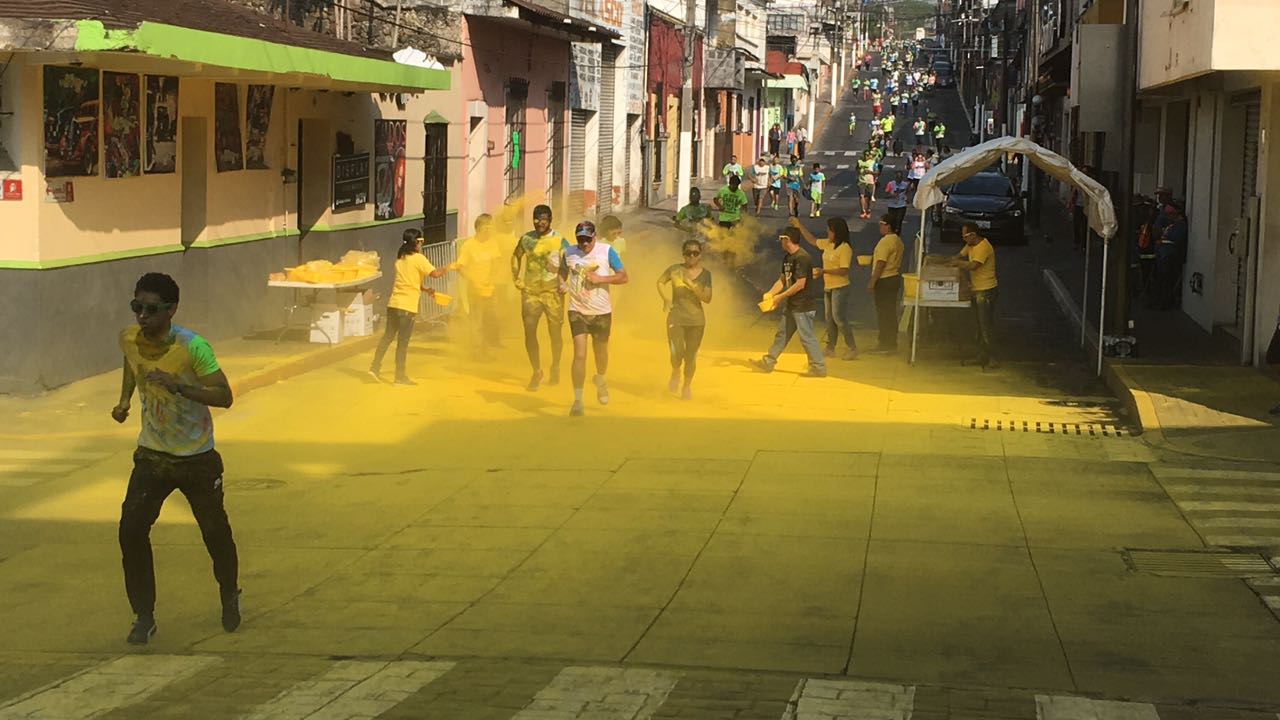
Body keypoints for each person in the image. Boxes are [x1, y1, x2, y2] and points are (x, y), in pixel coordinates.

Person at [113, 272, 239, 645]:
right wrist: (124, 401)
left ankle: (229, 592)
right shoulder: (128, 338)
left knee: (214, 531)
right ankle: (144, 616)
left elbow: (225, 396)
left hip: (196, 458)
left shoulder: (193, 347)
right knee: (131, 531)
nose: (143, 316)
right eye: (138, 307)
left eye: (152, 309)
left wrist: (181, 387)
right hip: (152, 455)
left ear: (171, 310)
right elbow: (131, 364)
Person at [563, 220, 628, 416]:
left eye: (587, 240)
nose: (584, 244)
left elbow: (624, 277)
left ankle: (600, 379)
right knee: (580, 355)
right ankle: (578, 400)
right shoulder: (569, 252)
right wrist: (561, 284)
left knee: (600, 354)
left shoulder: (606, 251)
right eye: (580, 240)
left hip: (601, 311)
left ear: (595, 237)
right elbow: (561, 273)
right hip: (577, 310)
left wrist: (601, 279)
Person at [370, 228, 449, 384]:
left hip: (393, 304)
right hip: (407, 307)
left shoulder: (400, 259)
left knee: (387, 337)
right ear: (416, 243)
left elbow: (409, 282)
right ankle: (400, 376)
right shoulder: (418, 259)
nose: (421, 245)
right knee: (403, 343)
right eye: (421, 242)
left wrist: (426, 290)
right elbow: (435, 274)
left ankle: (374, 367)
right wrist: (450, 267)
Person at [749, 228, 826, 377]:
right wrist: (771, 293)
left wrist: (780, 297)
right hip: (792, 305)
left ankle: (818, 367)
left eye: (782, 239)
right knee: (782, 334)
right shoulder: (788, 258)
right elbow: (783, 279)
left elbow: (800, 284)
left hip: (803, 305)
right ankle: (769, 361)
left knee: (806, 337)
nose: (781, 243)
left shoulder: (802, 258)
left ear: (787, 240)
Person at [511, 204, 569, 391]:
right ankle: (536, 371)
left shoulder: (559, 240)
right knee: (529, 332)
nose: (539, 223)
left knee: (555, 333)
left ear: (550, 220)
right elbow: (515, 256)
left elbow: (570, 261)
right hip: (530, 292)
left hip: (553, 293)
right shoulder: (526, 239)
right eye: (536, 219)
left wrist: (563, 280)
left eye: (543, 219)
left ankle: (556, 365)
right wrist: (516, 277)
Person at [789, 216, 857, 360]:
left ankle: (852, 347)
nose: (828, 233)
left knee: (839, 318)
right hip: (829, 287)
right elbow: (812, 240)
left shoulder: (845, 248)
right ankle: (830, 347)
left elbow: (844, 270)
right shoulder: (828, 244)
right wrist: (799, 225)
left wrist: (823, 271)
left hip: (840, 287)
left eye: (830, 231)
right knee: (829, 318)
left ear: (837, 232)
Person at [657, 239, 713, 400]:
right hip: (676, 317)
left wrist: (692, 285)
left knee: (691, 355)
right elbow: (660, 282)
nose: (691, 256)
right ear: (683, 254)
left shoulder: (705, 274)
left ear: (700, 255)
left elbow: (708, 298)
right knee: (676, 352)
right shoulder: (675, 270)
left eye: (695, 253)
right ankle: (675, 370)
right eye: (688, 253)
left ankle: (687, 385)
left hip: (696, 321)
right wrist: (665, 299)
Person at [453, 214, 504, 357]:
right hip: (475, 289)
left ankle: (487, 347)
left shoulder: (492, 242)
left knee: (492, 317)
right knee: (477, 320)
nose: (491, 229)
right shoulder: (469, 245)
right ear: (481, 228)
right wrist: (474, 279)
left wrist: (492, 277)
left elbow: (496, 262)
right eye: (488, 226)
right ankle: (477, 350)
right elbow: (460, 267)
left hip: (490, 288)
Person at [949, 223, 999, 368]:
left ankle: (991, 358)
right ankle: (982, 356)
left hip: (986, 290)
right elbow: (960, 255)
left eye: (965, 236)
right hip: (977, 289)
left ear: (973, 235)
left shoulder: (984, 247)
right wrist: (950, 261)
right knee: (978, 326)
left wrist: (957, 264)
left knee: (985, 326)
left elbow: (973, 265)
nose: (964, 239)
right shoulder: (970, 246)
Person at [867, 214, 905, 353]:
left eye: (881, 224)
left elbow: (881, 262)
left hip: (884, 279)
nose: (880, 227)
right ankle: (891, 341)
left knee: (884, 313)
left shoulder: (886, 241)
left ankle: (885, 343)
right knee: (890, 312)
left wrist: (872, 281)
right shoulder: (897, 241)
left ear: (888, 226)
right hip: (894, 276)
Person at [1151, 204, 1188, 311]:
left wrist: (1163, 236)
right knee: (1161, 280)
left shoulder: (1180, 225)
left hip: (1170, 256)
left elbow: (1175, 238)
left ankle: (1165, 303)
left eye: (1169, 215)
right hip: (1163, 255)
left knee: (1166, 281)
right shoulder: (1172, 225)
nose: (1168, 217)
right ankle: (1158, 301)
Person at [857, 152, 878, 220]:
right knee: (861, 196)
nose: (866, 156)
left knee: (868, 197)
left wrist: (870, 172)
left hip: (870, 182)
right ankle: (863, 211)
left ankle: (868, 209)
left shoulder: (873, 162)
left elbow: (877, 172)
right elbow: (856, 169)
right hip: (862, 182)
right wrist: (860, 172)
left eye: (868, 155)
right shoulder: (860, 162)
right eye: (865, 155)